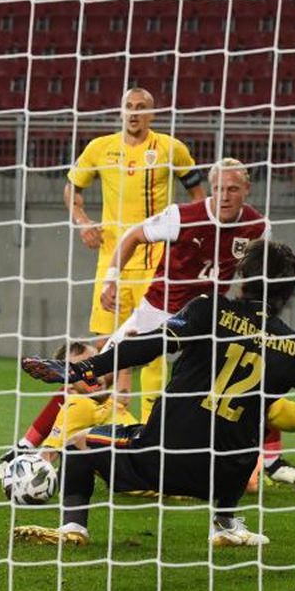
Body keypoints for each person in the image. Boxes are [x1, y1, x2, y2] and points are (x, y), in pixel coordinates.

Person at [16, 240, 295, 552]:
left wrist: (79, 370)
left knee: (78, 445)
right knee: (246, 433)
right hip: (231, 478)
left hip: (165, 460)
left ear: (241, 278)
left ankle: (74, 528)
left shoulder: (207, 309)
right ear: (288, 293)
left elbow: (147, 345)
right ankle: (225, 522)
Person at [0, 159, 295, 487]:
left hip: (211, 320)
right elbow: (132, 236)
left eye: (232, 188)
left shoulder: (260, 227)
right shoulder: (184, 215)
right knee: (92, 377)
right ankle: (28, 448)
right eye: (217, 188)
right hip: (159, 313)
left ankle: (271, 459)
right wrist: (112, 277)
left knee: (248, 382)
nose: (224, 195)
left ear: (247, 189)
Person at [63, 87, 206, 426]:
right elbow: (72, 189)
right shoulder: (100, 148)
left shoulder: (172, 149)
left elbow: (198, 194)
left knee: (154, 346)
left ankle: (152, 426)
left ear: (152, 114)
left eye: (141, 107)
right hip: (112, 260)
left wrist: (193, 235)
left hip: (157, 261)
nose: (134, 113)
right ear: (121, 111)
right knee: (104, 342)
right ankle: (106, 419)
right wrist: (83, 223)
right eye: (128, 106)